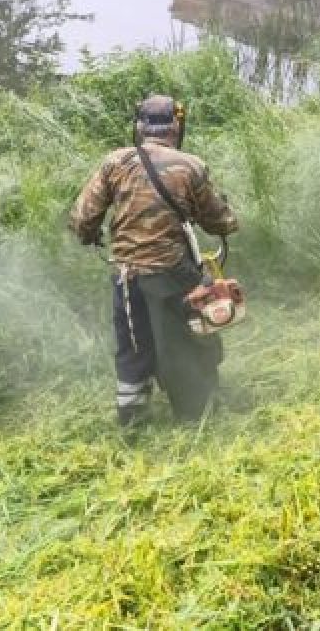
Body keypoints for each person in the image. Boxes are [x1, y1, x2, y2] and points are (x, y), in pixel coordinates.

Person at [69, 94, 239, 428]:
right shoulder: (190, 166)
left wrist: (90, 235)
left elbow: (82, 217)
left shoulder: (114, 163)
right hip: (175, 274)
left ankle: (132, 420)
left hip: (126, 274)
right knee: (188, 339)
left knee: (133, 344)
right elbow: (222, 221)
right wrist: (223, 221)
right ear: (176, 128)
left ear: (139, 127)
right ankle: (195, 415)